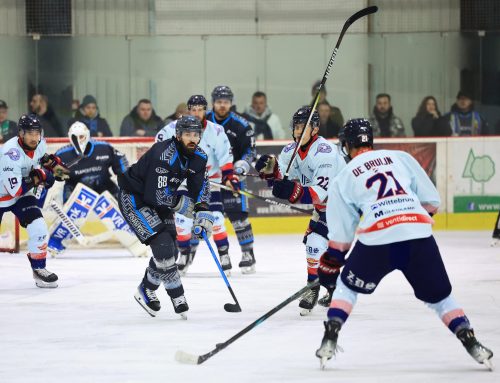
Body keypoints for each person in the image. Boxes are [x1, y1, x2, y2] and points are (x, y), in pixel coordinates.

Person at [314, 119, 494, 369]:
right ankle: (471, 340)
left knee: (347, 287)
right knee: (441, 298)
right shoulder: (400, 158)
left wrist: (331, 266)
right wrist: (407, 222)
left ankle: (330, 336)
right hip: (418, 236)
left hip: (379, 240)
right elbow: (431, 202)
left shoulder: (343, 177)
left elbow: (341, 238)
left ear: (347, 146)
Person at [117, 115, 212, 318]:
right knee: (163, 247)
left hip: (161, 199)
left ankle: (146, 289)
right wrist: (188, 207)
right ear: (178, 135)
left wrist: (203, 210)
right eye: (187, 134)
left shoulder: (200, 157)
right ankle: (177, 296)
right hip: (135, 199)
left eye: (196, 134)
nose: (192, 138)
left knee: (171, 253)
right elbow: (157, 196)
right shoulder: (163, 155)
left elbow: (201, 187)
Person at [255, 106, 346, 315]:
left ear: (315, 129)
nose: (298, 131)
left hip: (342, 207)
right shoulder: (291, 150)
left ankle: (312, 288)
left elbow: (317, 194)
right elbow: (281, 174)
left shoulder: (326, 153)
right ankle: (334, 289)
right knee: (320, 248)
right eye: (296, 127)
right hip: (324, 209)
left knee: (315, 244)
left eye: (303, 127)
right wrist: (269, 169)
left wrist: (291, 191)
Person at [156, 95, 235, 275]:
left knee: (215, 219)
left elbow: (225, 157)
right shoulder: (172, 129)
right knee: (182, 220)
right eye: (193, 109)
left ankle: (224, 254)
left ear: (206, 110)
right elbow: (159, 149)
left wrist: (230, 177)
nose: (197, 113)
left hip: (209, 180)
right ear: (188, 110)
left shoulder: (216, 130)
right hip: (183, 180)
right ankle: (184, 254)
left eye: (200, 109)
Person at [0, 114, 67, 288]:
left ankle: (39, 270)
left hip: (21, 196)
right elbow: (15, 190)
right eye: (30, 133)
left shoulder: (39, 144)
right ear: (21, 133)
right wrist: (39, 177)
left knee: (39, 228)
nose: (35, 137)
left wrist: (56, 169)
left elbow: (42, 162)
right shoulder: (10, 153)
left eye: (37, 133)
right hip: (5, 194)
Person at [206, 85, 257, 273]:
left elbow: (251, 149)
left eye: (226, 102)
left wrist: (242, 164)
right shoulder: (203, 122)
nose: (222, 105)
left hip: (231, 177)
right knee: (201, 216)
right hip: (209, 178)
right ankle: (186, 255)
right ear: (213, 102)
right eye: (219, 102)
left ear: (231, 103)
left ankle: (248, 253)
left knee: (238, 216)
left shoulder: (241, 125)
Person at [54, 121, 128, 203]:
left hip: (104, 185)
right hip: (75, 189)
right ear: (70, 137)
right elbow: (50, 176)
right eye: (75, 137)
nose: (78, 140)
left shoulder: (103, 148)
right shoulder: (62, 155)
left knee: (124, 202)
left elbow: (121, 160)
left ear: (87, 135)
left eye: (81, 136)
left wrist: (125, 178)